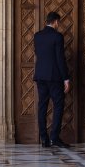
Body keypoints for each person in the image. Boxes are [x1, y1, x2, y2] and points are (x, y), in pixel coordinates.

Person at [33, 12, 71, 148]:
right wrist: (66, 79)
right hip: (54, 77)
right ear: (55, 22)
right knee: (58, 105)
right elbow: (60, 59)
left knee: (42, 106)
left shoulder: (37, 36)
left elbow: (39, 54)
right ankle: (54, 137)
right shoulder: (57, 36)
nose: (58, 25)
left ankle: (44, 138)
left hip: (40, 75)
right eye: (58, 23)